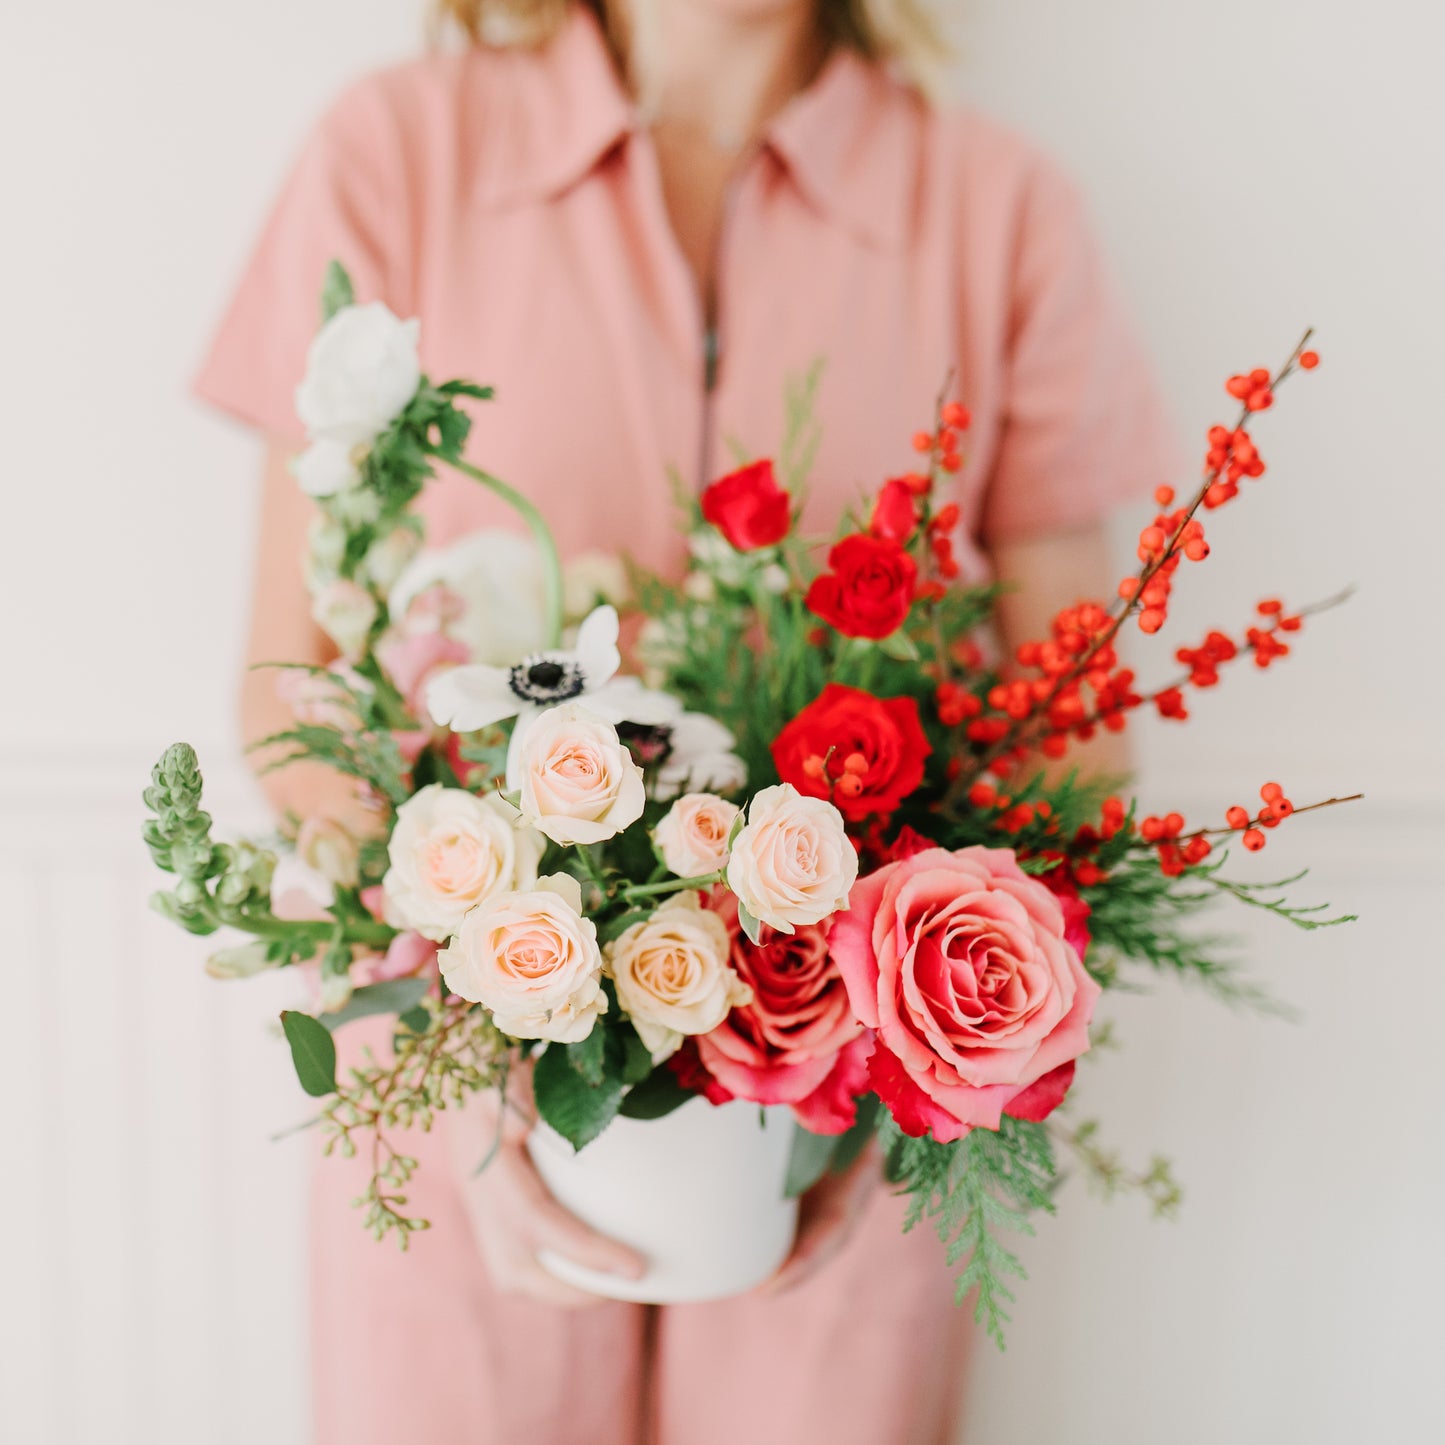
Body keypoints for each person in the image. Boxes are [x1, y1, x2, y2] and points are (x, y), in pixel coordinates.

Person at [195, 2, 1175, 1441]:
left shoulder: (993, 209)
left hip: (855, 1119)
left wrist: (906, 1076)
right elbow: (292, 682)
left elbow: (1071, 731)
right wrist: (459, 1051)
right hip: (451, 1096)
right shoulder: (400, 151)